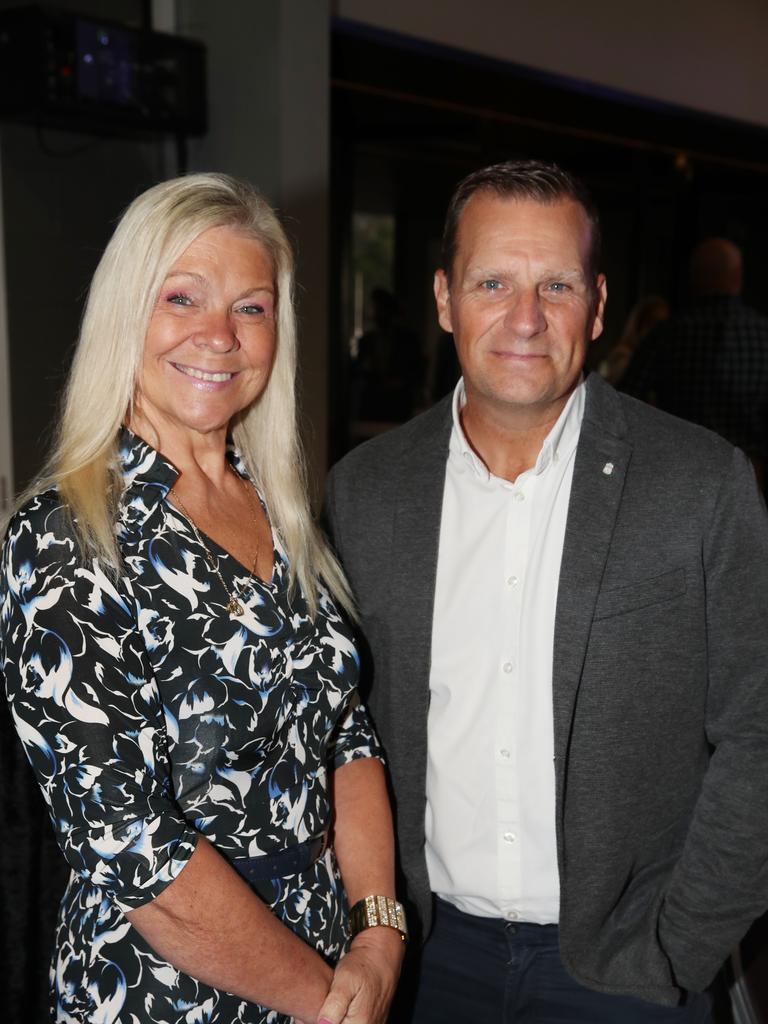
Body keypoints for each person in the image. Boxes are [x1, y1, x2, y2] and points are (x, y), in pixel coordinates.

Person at [324, 160, 768, 1022]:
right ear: (446, 298)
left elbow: (758, 729)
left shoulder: (702, 485)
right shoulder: (365, 492)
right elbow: (347, 730)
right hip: (427, 961)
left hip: (625, 973)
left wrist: (682, 945)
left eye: (555, 284)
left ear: (597, 306)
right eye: (493, 282)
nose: (525, 318)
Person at [0, 173, 405, 1024]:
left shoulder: (280, 506)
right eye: (182, 297)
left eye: (251, 308)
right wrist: (325, 1003)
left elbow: (345, 728)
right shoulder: (63, 538)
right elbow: (133, 847)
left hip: (334, 974)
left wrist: (377, 930)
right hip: (163, 996)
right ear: (125, 315)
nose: (219, 336)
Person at [622, 238, 768, 485]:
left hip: (681, 472)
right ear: (738, 277)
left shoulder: (667, 335)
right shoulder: (762, 335)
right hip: (751, 476)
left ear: (694, 279)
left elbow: (626, 402)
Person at [597, 293, 669, 386]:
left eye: (664, 326)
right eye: (653, 323)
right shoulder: (623, 358)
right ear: (639, 324)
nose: (658, 332)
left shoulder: (657, 360)